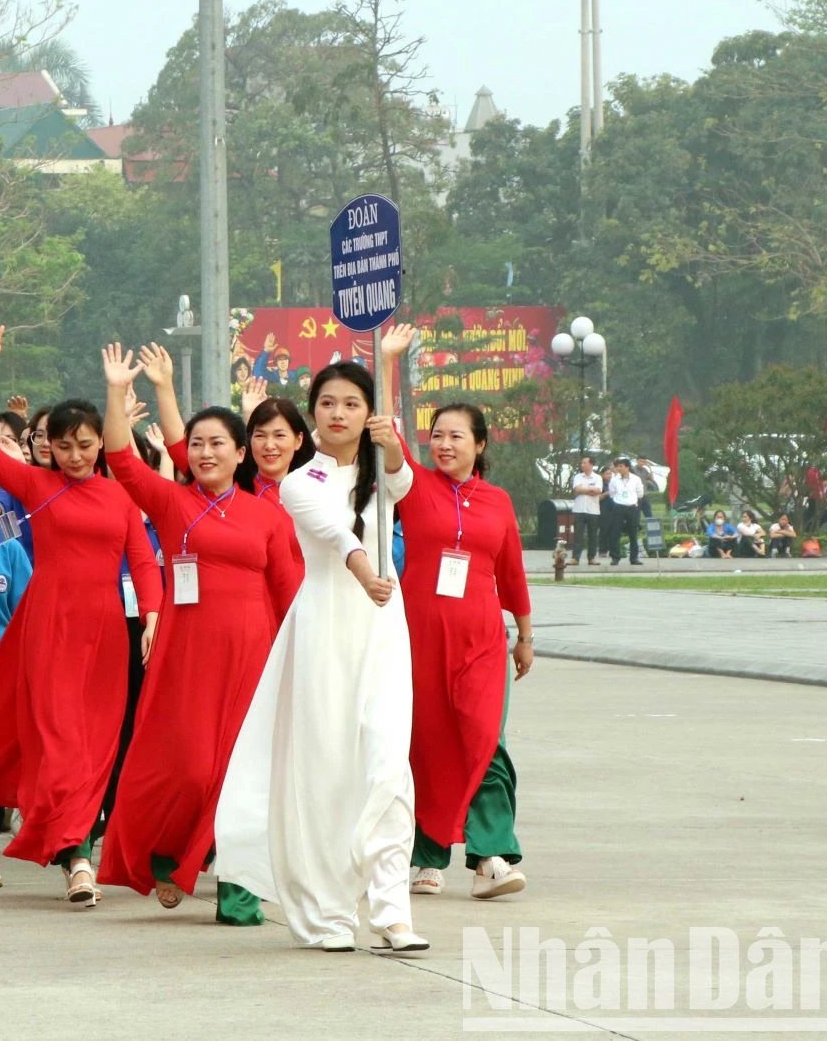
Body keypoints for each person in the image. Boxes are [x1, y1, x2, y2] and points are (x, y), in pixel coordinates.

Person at [0, 321, 162, 907]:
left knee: (94, 747)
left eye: (85, 445)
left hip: (106, 635)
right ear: (49, 446)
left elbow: (142, 562)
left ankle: (74, 845)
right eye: (64, 445)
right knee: (62, 741)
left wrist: (155, 618)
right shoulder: (39, 486)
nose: (76, 454)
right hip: (49, 629)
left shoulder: (121, 495)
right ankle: (78, 859)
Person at [215, 333, 425, 954]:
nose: (339, 413)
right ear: (314, 414)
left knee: (388, 763)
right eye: (328, 403)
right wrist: (363, 568)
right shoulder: (298, 481)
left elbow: (401, 484)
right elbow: (335, 532)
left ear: (368, 412)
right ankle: (329, 914)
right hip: (325, 627)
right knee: (324, 773)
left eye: (352, 404)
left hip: (382, 629)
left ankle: (393, 912)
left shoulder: (384, 468)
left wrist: (387, 376)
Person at [94, 344, 300, 918]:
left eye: (220, 444)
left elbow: (288, 594)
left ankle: (237, 892)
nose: (207, 453)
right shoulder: (172, 503)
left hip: (252, 652)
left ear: (242, 454)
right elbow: (120, 458)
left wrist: (299, 659)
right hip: (187, 652)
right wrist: (116, 391)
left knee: (240, 768)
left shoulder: (270, 515)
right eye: (199, 444)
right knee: (184, 764)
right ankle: (167, 854)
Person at [393, 402, 536, 903]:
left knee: (484, 741)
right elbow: (388, 441)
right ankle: (427, 859)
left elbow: (512, 572)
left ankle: (491, 856)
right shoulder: (412, 486)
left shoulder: (498, 501)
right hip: (420, 636)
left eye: (456, 436)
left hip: (481, 638)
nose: (445, 444)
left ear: (480, 445)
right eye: (437, 435)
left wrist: (525, 634)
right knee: (427, 744)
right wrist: (386, 361)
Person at [604, 458, 646, 565]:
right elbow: (612, 493)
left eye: (621, 466)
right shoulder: (614, 480)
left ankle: (634, 558)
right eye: (618, 466)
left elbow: (640, 493)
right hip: (618, 507)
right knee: (615, 533)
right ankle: (615, 557)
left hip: (632, 507)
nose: (619, 468)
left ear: (627, 467)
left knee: (633, 533)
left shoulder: (636, 479)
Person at [568, 456, 603, 566]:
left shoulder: (597, 477)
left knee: (592, 535)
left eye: (584, 463)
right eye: (582, 463)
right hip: (579, 510)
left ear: (591, 464)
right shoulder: (578, 476)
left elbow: (598, 491)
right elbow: (577, 489)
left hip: (593, 510)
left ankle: (591, 558)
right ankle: (575, 558)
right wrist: (590, 490)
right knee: (578, 535)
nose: (582, 465)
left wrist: (584, 490)